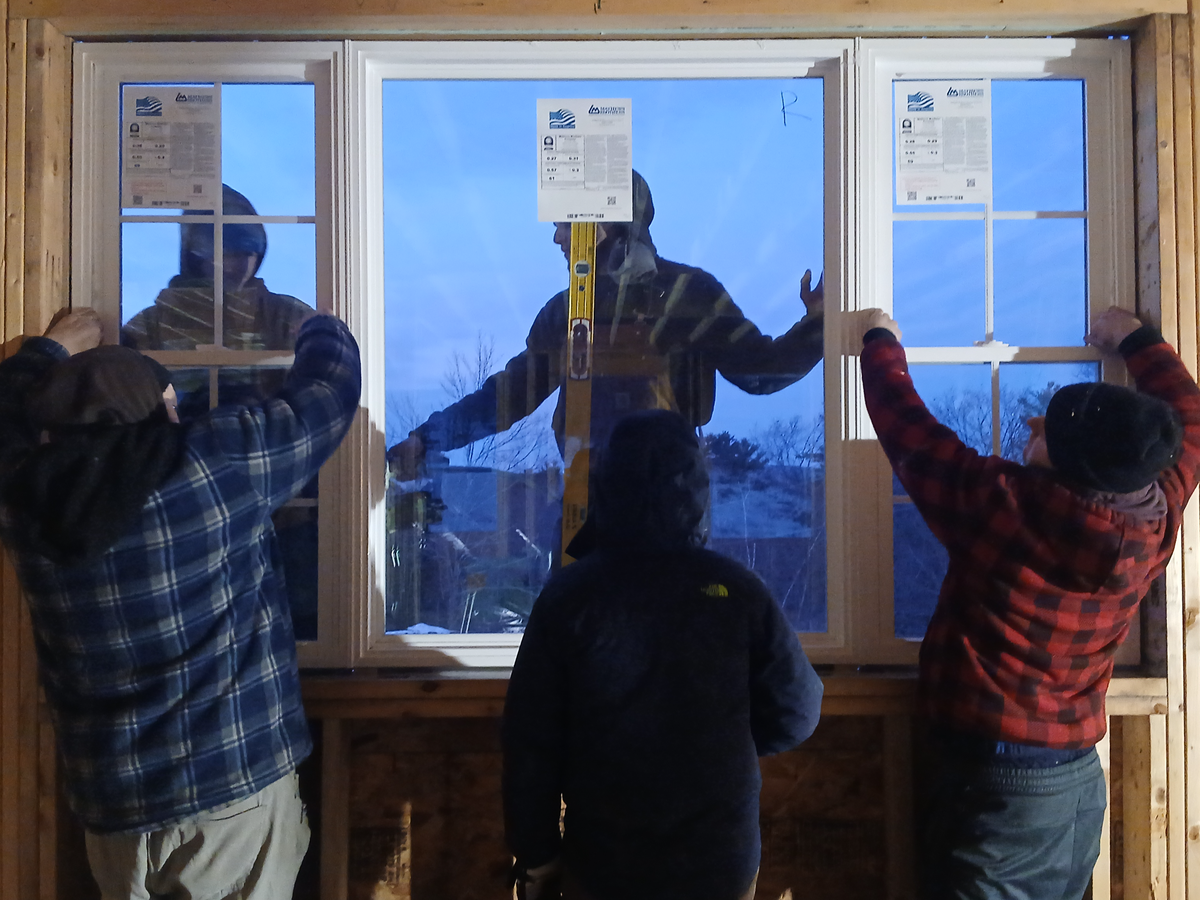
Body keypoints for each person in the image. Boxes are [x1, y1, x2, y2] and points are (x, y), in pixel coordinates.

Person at [0, 305, 361, 900]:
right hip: (228, 797)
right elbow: (325, 396)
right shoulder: (209, 468)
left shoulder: (24, 500)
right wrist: (319, 325)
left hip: (114, 812)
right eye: (170, 402)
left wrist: (48, 351)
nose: (180, 413)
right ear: (155, 414)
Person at [856, 305, 1200, 900]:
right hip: (1074, 784)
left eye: (1047, 433)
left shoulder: (1003, 507)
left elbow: (906, 427)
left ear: (1066, 462)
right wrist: (1135, 339)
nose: (1033, 425)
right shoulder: (1154, 515)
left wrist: (879, 341)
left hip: (998, 788)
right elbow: (1189, 419)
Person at [502, 409, 824, 900]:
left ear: (606, 488)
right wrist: (720, 739)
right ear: (697, 491)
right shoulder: (737, 592)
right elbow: (797, 713)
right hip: (719, 860)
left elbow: (531, 744)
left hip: (607, 860)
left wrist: (538, 857)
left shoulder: (569, 598)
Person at [388, 170, 824, 479]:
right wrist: (428, 439)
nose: (557, 237)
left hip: (668, 511)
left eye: (565, 223)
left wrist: (819, 326)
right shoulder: (568, 311)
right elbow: (508, 396)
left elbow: (760, 372)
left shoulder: (688, 295)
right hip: (591, 504)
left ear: (604, 224)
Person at [122, 183, 316, 420]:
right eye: (223, 252)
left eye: (247, 252)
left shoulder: (289, 317)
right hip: (176, 442)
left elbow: (318, 397)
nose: (236, 265)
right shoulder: (149, 326)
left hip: (268, 442)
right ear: (194, 253)